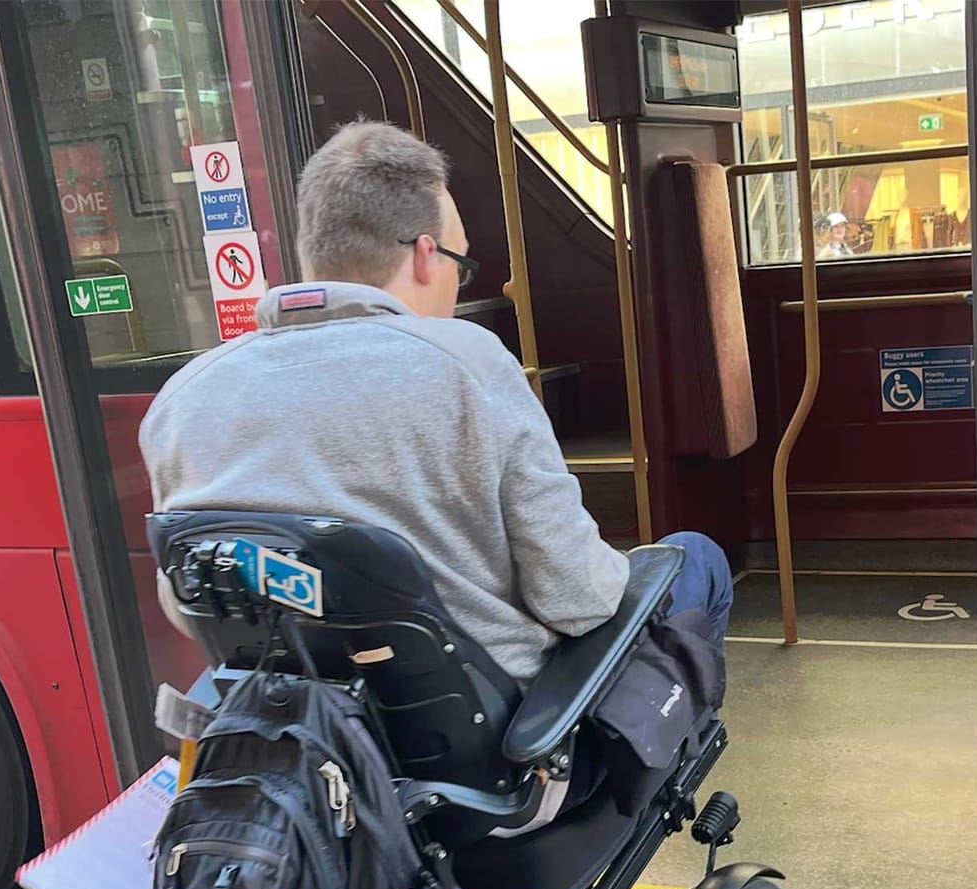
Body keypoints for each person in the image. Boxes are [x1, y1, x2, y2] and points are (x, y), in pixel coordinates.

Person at [140, 120, 732, 683]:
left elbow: (185, 603)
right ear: (426, 255)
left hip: (299, 723)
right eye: (461, 263)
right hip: (490, 746)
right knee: (696, 558)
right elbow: (577, 599)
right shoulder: (468, 363)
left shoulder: (184, 398)